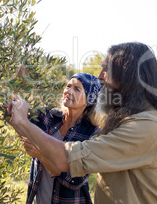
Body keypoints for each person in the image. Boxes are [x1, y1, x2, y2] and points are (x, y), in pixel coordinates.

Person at [6, 42, 157, 203]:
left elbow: (65, 161)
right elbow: (93, 114)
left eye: (106, 69)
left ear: (128, 77)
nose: (100, 76)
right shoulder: (126, 118)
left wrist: (22, 122)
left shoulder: (147, 127)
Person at [22, 73, 101, 204]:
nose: (68, 91)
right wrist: (20, 81)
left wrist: (41, 155)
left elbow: (73, 181)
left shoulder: (92, 133)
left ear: (89, 100)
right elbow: (20, 118)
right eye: (68, 86)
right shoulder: (49, 117)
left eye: (77, 89)